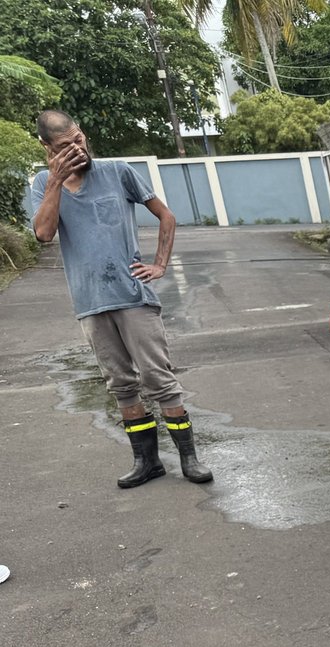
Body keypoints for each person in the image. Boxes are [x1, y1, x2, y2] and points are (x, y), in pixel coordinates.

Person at [28, 109, 212, 488]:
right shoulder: (43, 185)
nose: (77, 149)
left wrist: (159, 265)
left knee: (159, 379)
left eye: (79, 139)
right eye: (65, 146)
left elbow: (166, 216)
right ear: (47, 148)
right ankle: (146, 461)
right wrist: (56, 183)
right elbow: (43, 233)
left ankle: (189, 458)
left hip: (133, 296)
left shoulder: (117, 171)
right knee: (121, 385)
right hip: (90, 303)